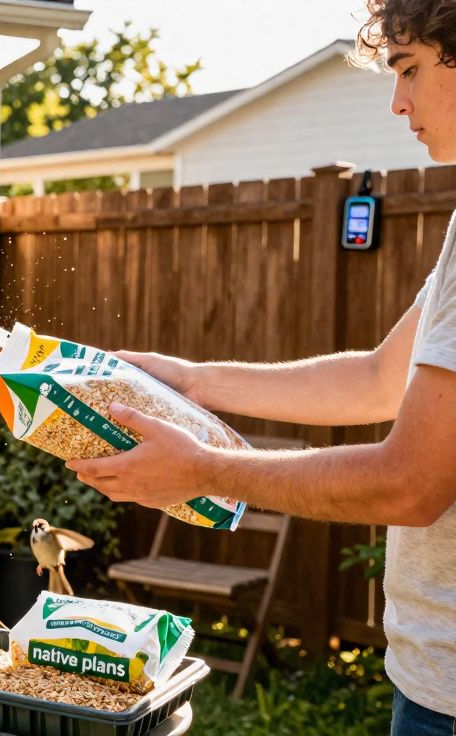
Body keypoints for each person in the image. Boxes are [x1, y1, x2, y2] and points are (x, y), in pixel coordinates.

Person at [65, 3, 456, 733]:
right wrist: (194, 380)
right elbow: (378, 378)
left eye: (410, 70)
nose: (397, 102)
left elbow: (412, 484)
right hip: (431, 676)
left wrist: (204, 470)